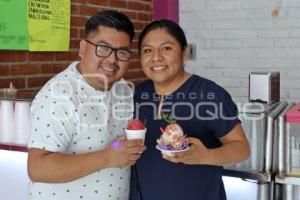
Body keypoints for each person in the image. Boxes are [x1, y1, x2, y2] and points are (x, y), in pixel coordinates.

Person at [27, 10, 146, 200]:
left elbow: (113, 141)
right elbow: (38, 168)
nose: (112, 59)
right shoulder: (59, 95)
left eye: (122, 52)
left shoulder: (123, 88)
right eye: (103, 47)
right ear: (83, 48)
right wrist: (108, 157)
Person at [130, 19, 250, 200]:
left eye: (166, 48)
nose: (156, 57)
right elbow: (119, 141)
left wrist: (204, 156)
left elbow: (242, 149)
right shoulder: (138, 94)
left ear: (184, 53)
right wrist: (116, 146)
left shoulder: (208, 94)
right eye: (147, 50)